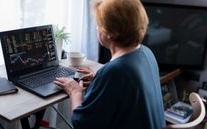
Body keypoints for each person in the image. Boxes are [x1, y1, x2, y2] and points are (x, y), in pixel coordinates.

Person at [54, 0, 166, 128]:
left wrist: (75, 91)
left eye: (98, 24)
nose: (96, 28)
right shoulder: (146, 52)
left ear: (110, 32)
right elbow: (126, 92)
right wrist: (100, 82)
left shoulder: (115, 71)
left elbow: (81, 124)